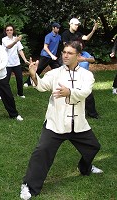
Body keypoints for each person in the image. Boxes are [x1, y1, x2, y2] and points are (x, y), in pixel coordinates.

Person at [19, 41, 103, 200]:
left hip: (78, 124)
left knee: (93, 147)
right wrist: (33, 74)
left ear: (78, 56)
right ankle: (29, 186)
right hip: (56, 123)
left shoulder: (87, 75)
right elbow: (42, 86)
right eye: (64, 52)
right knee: (42, 152)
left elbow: (85, 92)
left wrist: (69, 91)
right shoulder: (55, 73)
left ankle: (85, 168)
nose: (65, 55)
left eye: (70, 53)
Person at [24, 22, 61, 87]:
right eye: (57, 28)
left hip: (53, 57)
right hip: (45, 56)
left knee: (58, 69)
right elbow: (45, 47)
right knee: (39, 69)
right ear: (53, 28)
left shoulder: (59, 37)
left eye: (59, 28)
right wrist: (51, 55)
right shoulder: (48, 36)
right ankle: (28, 82)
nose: (58, 29)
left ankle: (59, 82)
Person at [1, 24, 29, 100]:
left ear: (13, 31)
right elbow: (8, 46)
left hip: (16, 63)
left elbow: (20, 50)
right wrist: (15, 41)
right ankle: (0, 93)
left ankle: (20, 93)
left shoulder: (16, 39)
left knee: (20, 79)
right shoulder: (4, 39)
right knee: (5, 80)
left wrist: (25, 60)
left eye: (11, 30)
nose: (9, 31)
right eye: (7, 30)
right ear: (5, 31)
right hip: (7, 63)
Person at [78, 41, 99, 119]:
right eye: (78, 45)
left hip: (85, 78)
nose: (80, 47)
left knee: (88, 96)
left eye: (81, 46)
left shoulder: (85, 54)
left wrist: (84, 59)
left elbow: (93, 60)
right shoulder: (72, 55)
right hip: (75, 78)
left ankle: (92, 113)